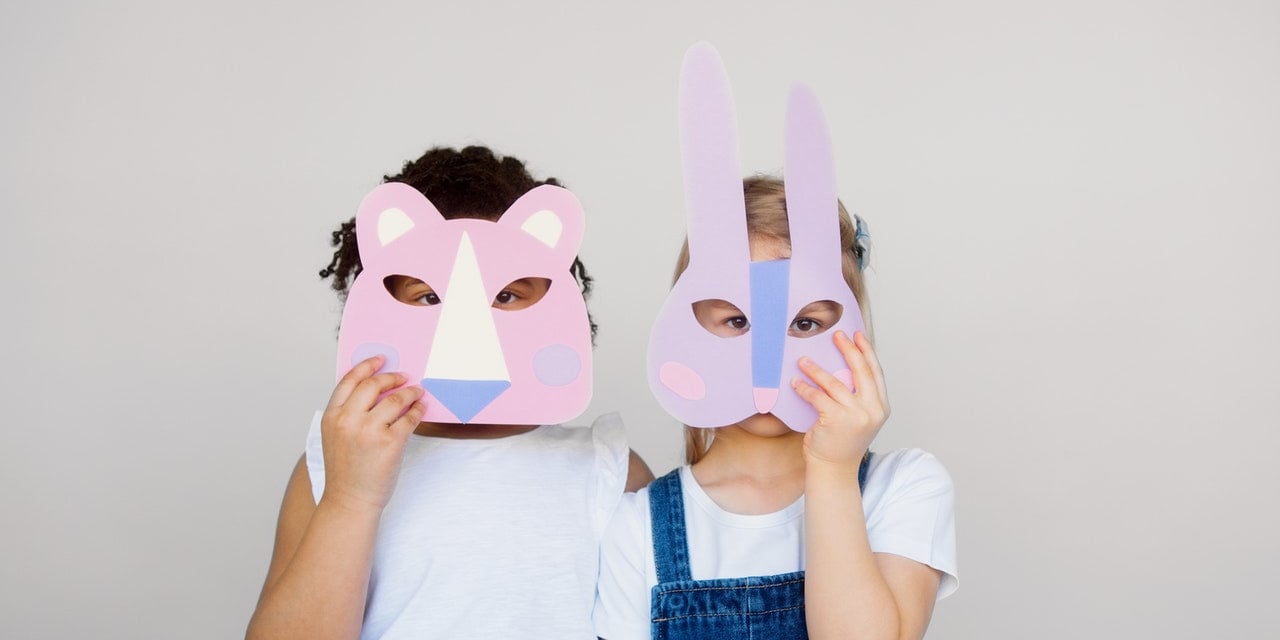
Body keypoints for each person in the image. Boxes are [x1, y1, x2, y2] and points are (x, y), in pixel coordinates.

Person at [246, 145, 653, 640]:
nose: (467, 334)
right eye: (428, 296)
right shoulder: (335, 463)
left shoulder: (607, 469)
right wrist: (350, 498)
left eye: (507, 295)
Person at [593, 177, 957, 640]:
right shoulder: (636, 525)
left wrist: (832, 468)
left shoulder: (903, 486)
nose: (768, 362)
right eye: (737, 320)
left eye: (805, 323)